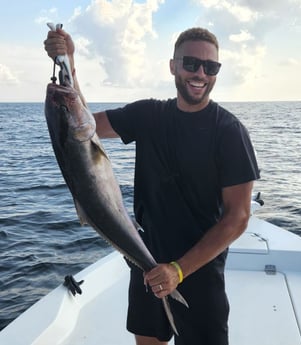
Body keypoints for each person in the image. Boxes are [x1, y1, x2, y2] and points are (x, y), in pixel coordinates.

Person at [44, 27, 260, 345]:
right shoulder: (148, 114)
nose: (200, 73)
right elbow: (84, 125)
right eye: (190, 63)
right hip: (144, 258)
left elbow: (238, 217)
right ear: (173, 66)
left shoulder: (229, 131)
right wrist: (69, 62)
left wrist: (178, 270)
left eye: (210, 67)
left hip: (199, 269)